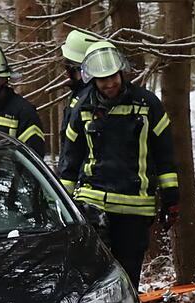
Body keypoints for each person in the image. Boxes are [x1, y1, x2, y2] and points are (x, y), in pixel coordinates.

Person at [58, 41, 179, 290]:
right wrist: (63, 205)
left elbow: (164, 154)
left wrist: (171, 198)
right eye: (103, 80)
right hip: (93, 202)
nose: (109, 84)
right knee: (94, 275)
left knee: (127, 277)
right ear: (93, 79)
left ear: (121, 73)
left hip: (135, 207)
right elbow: (70, 161)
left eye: (112, 77)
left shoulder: (148, 105)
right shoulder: (82, 108)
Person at [59, 30, 98, 193]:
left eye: (69, 68)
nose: (67, 73)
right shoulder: (80, 94)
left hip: (87, 188)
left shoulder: (89, 101)